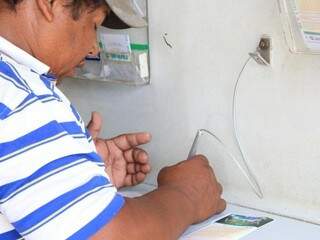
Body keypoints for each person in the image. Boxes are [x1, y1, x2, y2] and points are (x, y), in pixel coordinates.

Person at [0, 0, 226, 239]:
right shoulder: (21, 101)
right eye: (94, 25)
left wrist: (74, 178)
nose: (93, 49)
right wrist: (187, 195)